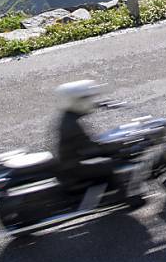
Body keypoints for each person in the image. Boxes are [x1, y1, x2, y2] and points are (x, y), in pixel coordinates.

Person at [54, 80, 144, 212]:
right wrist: (115, 148)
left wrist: (105, 104)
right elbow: (90, 148)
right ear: (76, 101)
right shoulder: (72, 126)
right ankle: (127, 198)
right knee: (112, 163)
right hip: (75, 166)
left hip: (70, 161)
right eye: (86, 98)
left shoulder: (69, 116)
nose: (90, 100)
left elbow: (87, 107)